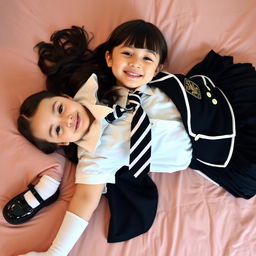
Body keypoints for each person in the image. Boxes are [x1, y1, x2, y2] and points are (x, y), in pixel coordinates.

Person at [14, 19, 256, 255]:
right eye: (57, 130)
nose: (66, 120)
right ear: (62, 143)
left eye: (59, 109)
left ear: (66, 98)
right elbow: (84, 201)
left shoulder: (103, 86)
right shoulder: (94, 159)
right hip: (225, 145)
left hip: (222, 98)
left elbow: (140, 63)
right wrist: (56, 252)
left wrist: (134, 60)